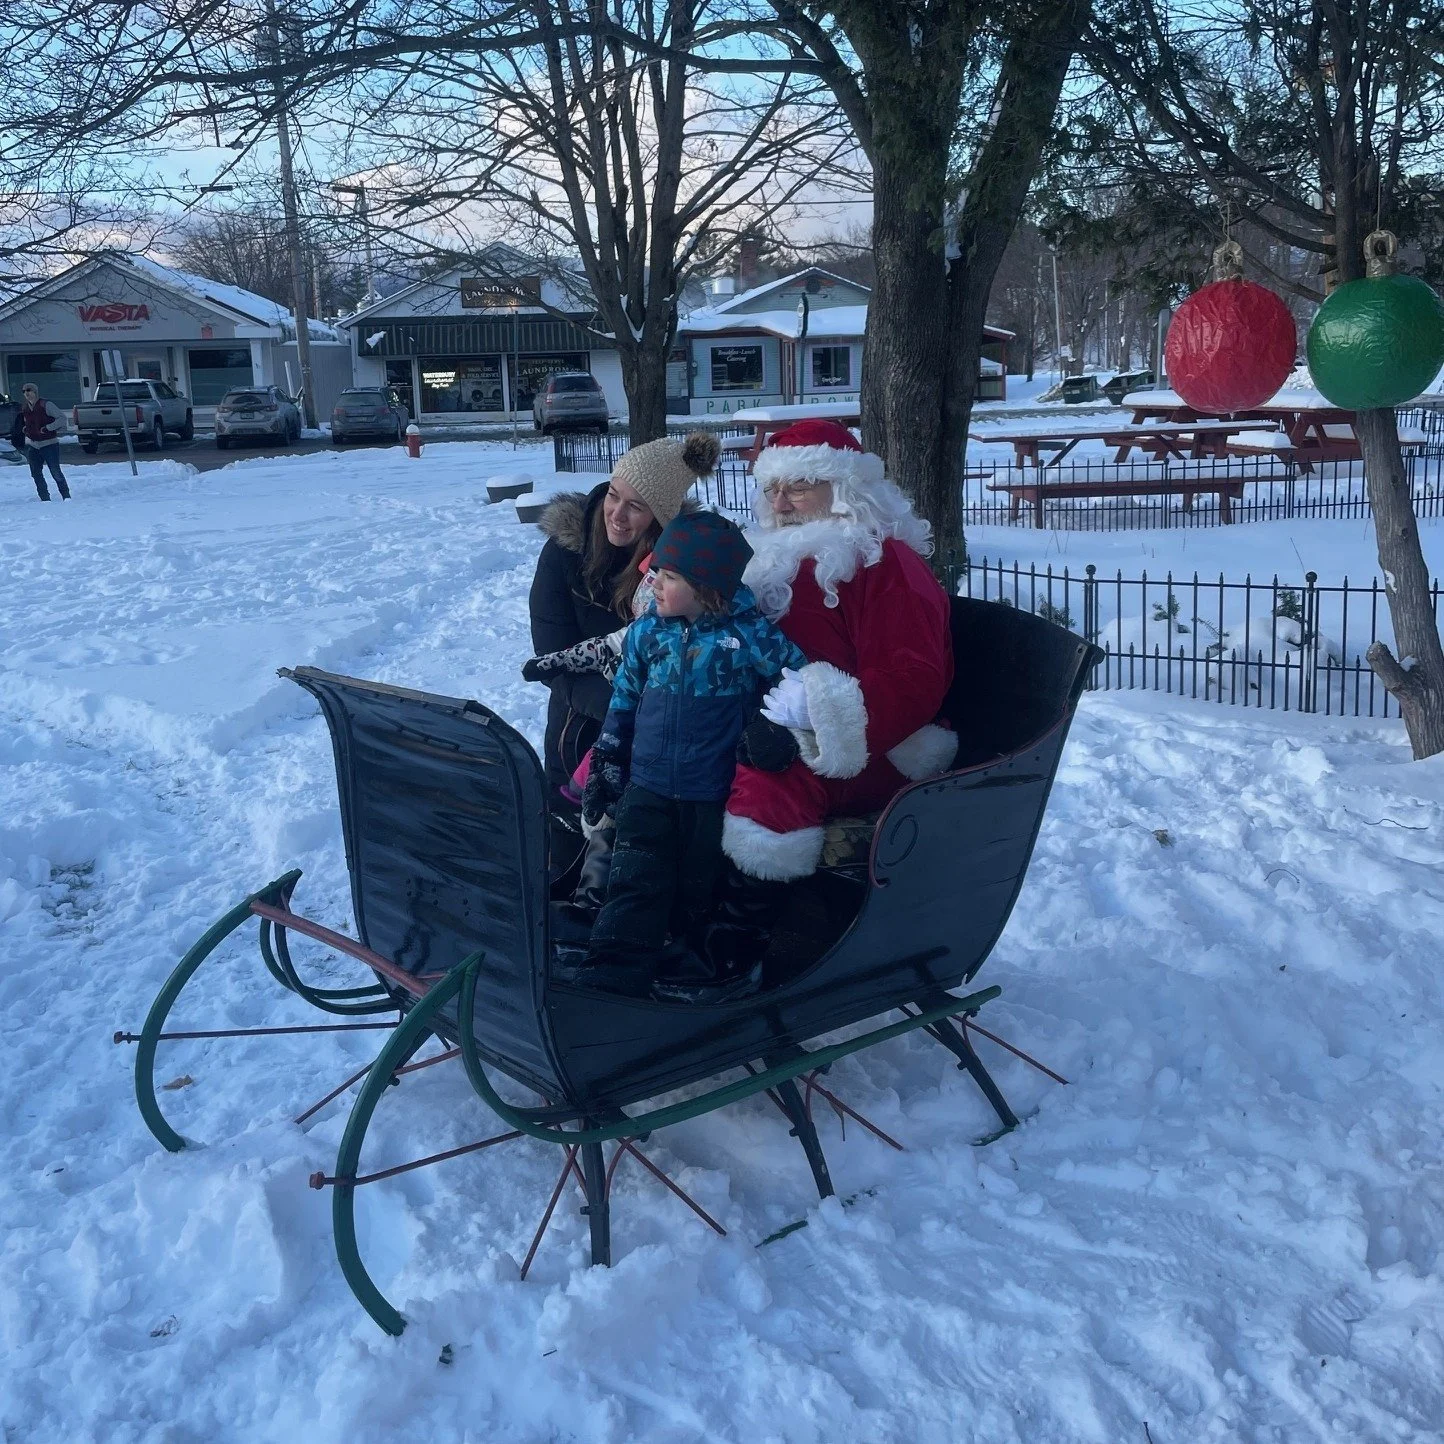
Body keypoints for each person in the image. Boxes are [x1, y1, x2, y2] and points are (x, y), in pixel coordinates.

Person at [711, 418, 958, 961]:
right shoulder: (767, 559)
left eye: (798, 486)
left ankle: (737, 951)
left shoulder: (886, 563)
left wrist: (815, 712)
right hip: (760, 719)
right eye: (772, 488)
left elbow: (914, 681)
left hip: (859, 746)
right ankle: (655, 915)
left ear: (846, 490)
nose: (780, 504)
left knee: (763, 785)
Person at [554, 509, 808, 998]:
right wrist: (609, 751)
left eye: (668, 577)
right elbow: (625, 695)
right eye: (656, 574)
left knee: (697, 885)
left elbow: (800, 683)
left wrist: (773, 728)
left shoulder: (749, 635)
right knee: (634, 878)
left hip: (709, 790)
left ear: (708, 586)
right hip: (647, 784)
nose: (654, 584)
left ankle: (680, 971)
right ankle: (610, 975)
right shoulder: (649, 633)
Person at [528, 432, 720, 868]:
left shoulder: (683, 564)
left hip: (664, 730)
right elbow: (551, 658)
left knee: (642, 847)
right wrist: (624, 708)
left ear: (662, 518)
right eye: (615, 495)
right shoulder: (565, 553)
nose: (616, 513)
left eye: (636, 506)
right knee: (570, 844)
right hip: (579, 723)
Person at [18, 384, 71, 501]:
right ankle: (44, 498)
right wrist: (25, 429)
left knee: (55, 472)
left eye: (29, 390)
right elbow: (27, 422)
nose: (26, 393)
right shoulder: (25, 407)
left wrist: (48, 428)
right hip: (33, 445)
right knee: (35, 473)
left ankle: (66, 496)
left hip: (49, 444)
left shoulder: (46, 404)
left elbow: (62, 418)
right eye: (24, 391)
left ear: (35, 391)